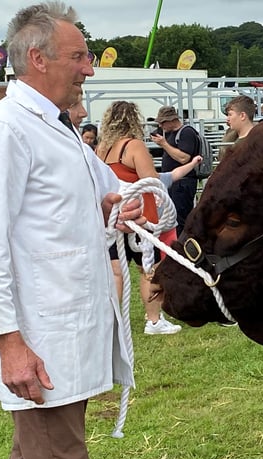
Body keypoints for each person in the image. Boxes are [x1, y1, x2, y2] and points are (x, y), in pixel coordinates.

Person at [0, 3, 145, 459]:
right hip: (43, 338)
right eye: (79, 56)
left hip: (68, 329)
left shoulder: (59, 130)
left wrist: (110, 207)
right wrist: (8, 343)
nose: (89, 67)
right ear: (38, 59)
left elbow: (79, 208)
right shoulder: (4, 127)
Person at [97, 100, 194, 335]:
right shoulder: (134, 146)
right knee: (148, 269)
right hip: (140, 216)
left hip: (111, 216)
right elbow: (150, 180)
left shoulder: (101, 149)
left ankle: (112, 323)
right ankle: (153, 320)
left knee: (115, 270)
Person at [150, 105, 201, 236]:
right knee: (173, 217)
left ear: (172, 120)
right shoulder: (171, 134)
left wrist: (164, 144)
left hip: (183, 182)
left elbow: (184, 158)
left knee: (180, 218)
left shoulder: (186, 133)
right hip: (175, 182)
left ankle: (182, 246)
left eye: (163, 122)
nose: (161, 126)